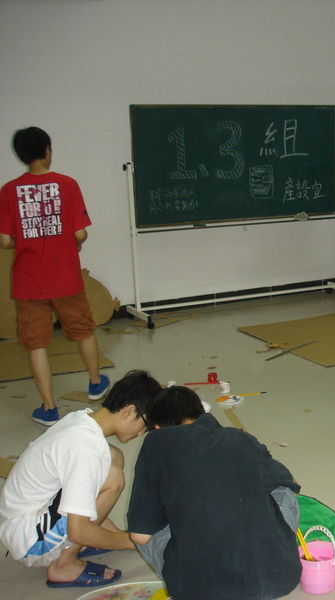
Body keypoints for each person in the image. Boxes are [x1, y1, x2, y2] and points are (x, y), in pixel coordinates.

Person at [128, 386, 302, 600]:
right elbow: (291, 485)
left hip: (198, 592)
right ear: (201, 412)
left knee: (144, 524)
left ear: (157, 427)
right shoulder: (239, 437)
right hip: (277, 580)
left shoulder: (155, 441)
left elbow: (140, 536)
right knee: (283, 492)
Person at [0, 370, 161, 588]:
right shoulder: (84, 450)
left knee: (113, 456)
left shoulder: (82, 419)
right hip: (29, 541)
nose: (142, 433)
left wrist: (114, 536)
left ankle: (91, 539)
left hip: (25, 516)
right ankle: (64, 565)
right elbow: (79, 530)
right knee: (113, 479)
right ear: (129, 411)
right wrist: (133, 541)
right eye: (146, 425)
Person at [0, 127, 110, 427]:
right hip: (65, 278)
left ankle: (49, 409)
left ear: (21, 155)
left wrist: (27, 239)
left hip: (28, 282)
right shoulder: (67, 184)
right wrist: (69, 241)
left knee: (36, 344)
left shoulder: (9, 191)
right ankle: (95, 383)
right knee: (83, 330)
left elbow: (5, 241)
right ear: (47, 150)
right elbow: (80, 233)